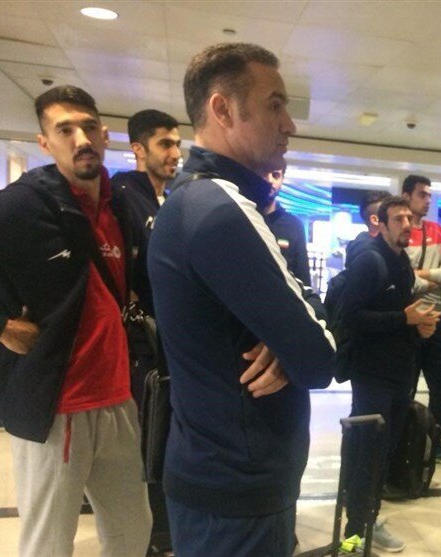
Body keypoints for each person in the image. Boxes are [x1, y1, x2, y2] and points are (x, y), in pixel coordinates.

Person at [147, 43, 336, 556]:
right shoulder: (220, 208)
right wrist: (293, 339)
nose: (289, 124)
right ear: (223, 109)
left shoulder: (191, 199)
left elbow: (301, 314)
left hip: (215, 471)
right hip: (237, 489)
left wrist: (287, 336)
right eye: (275, 105)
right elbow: (319, 359)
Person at [0, 85, 151, 556]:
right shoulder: (19, 207)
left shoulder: (120, 205)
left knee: (132, 534)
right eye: (65, 130)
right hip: (57, 406)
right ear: (45, 143)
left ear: (105, 135)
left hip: (117, 400)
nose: (81, 139)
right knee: (49, 544)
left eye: (89, 127)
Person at [339, 196, 441, 554]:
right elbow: (349, 317)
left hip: (400, 373)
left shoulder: (402, 263)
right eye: (398, 219)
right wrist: (403, 319)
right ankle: (354, 533)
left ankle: (368, 518)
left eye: (409, 218)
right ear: (380, 224)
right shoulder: (370, 261)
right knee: (369, 452)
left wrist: (419, 327)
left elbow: (402, 315)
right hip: (371, 375)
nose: (407, 224)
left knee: (383, 452)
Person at [112, 108, 182, 555]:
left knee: (164, 435)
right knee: (146, 439)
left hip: (165, 343)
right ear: (138, 149)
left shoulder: (166, 200)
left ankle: (162, 532)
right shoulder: (123, 195)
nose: (175, 153)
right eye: (165, 144)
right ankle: (151, 537)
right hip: (136, 346)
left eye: (177, 144)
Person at [401, 174, 441, 466]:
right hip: (408, 323)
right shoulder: (398, 231)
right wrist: (433, 280)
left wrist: (422, 275)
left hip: (436, 321)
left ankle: (433, 444)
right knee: (406, 387)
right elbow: (402, 280)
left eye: (429, 195)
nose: (427, 200)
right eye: (422, 194)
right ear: (406, 196)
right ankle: (403, 444)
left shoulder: (436, 231)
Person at [264, 161, 312, 286]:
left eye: (276, 175)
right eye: (264, 173)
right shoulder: (241, 216)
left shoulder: (293, 225)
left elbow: (302, 275)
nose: (270, 180)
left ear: (282, 180)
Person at [345, 190, 391, 267]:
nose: (405, 224)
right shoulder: (368, 256)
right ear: (375, 220)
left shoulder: (388, 248)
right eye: (397, 218)